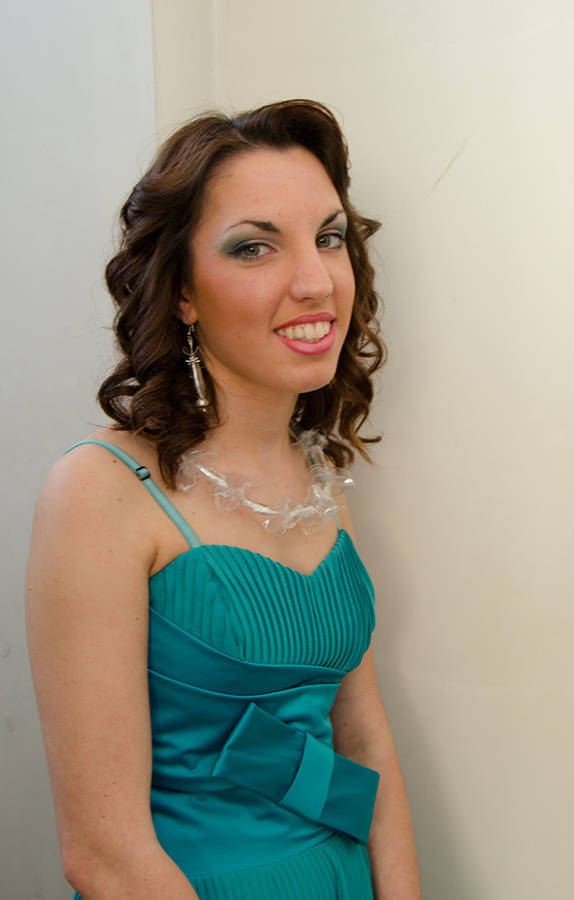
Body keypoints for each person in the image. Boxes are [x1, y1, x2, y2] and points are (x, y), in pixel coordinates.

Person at [26, 99, 421, 899]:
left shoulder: (318, 482)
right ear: (183, 292)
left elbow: (365, 744)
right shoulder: (100, 490)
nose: (315, 281)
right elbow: (101, 854)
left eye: (329, 238)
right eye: (254, 247)